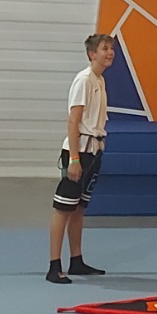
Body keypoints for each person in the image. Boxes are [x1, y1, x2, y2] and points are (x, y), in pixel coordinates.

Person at [48, 33, 115, 284]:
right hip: (79, 152)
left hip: (93, 150)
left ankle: (76, 260)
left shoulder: (100, 80)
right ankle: (54, 265)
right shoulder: (84, 80)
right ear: (91, 54)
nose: (110, 53)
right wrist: (74, 159)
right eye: (104, 48)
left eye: (111, 48)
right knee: (63, 208)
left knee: (78, 208)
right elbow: (73, 121)